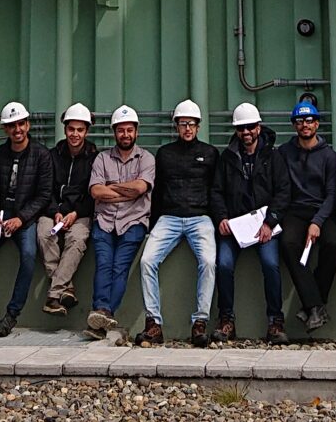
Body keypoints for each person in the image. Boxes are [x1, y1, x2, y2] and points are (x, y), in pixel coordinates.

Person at [139, 99, 220, 346]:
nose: (187, 128)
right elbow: (158, 191)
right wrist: (151, 226)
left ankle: (200, 323)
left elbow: (216, 190)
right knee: (147, 261)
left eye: (192, 124)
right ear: (176, 126)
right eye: (183, 123)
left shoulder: (210, 153)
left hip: (200, 218)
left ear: (198, 127)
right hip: (169, 218)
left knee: (208, 261)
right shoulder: (164, 154)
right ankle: (154, 323)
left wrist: (218, 222)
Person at [210, 102, 288, 343]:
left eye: (250, 127)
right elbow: (216, 191)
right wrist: (222, 218)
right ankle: (226, 321)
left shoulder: (274, 156)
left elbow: (283, 191)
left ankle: (275, 321)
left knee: (270, 264)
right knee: (223, 264)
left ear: (259, 127)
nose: (246, 132)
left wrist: (270, 222)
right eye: (241, 128)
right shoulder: (227, 158)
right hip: (234, 227)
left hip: (264, 226)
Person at [0, 100, 52, 337]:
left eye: (21, 124)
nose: (17, 129)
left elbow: (43, 195)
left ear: (28, 125)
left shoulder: (42, 155)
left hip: (25, 218)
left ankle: (12, 315)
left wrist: (21, 218)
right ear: (5, 129)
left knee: (29, 255)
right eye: (12, 126)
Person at [85, 105, 154, 337]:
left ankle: (103, 313)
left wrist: (111, 188)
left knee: (119, 266)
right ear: (114, 132)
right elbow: (96, 192)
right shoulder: (102, 158)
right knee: (104, 263)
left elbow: (141, 187)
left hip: (134, 222)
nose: (125, 134)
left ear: (136, 132)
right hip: (104, 220)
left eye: (129, 130)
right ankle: (103, 313)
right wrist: (127, 192)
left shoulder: (146, 159)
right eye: (121, 130)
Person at [275, 98, 336, 336]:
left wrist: (318, 221)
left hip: (322, 211)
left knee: (333, 245)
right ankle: (315, 306)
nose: (305, 125)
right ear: (295, 125)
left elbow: (333, 194)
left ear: (317, 124)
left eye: (309, 120)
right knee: (288, 244)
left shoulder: (329, 156)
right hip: (294, 211)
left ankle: (311, 304)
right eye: (300, 121)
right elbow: (281, 188)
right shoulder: (284, 153)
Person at [40, 103, 99, 316]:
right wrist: (55, 210)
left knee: (77, 240)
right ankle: (66, 287)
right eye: (71, 129)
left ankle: (53, 295)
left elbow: (93, 193)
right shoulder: (52, 155)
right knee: (45, 233)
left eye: (80, 129)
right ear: (65, 129)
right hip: (53, 212)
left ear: (87, 131)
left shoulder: (95, 158)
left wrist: (75, 213)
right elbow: (45, 188)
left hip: (81, 214)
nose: (75, 134)